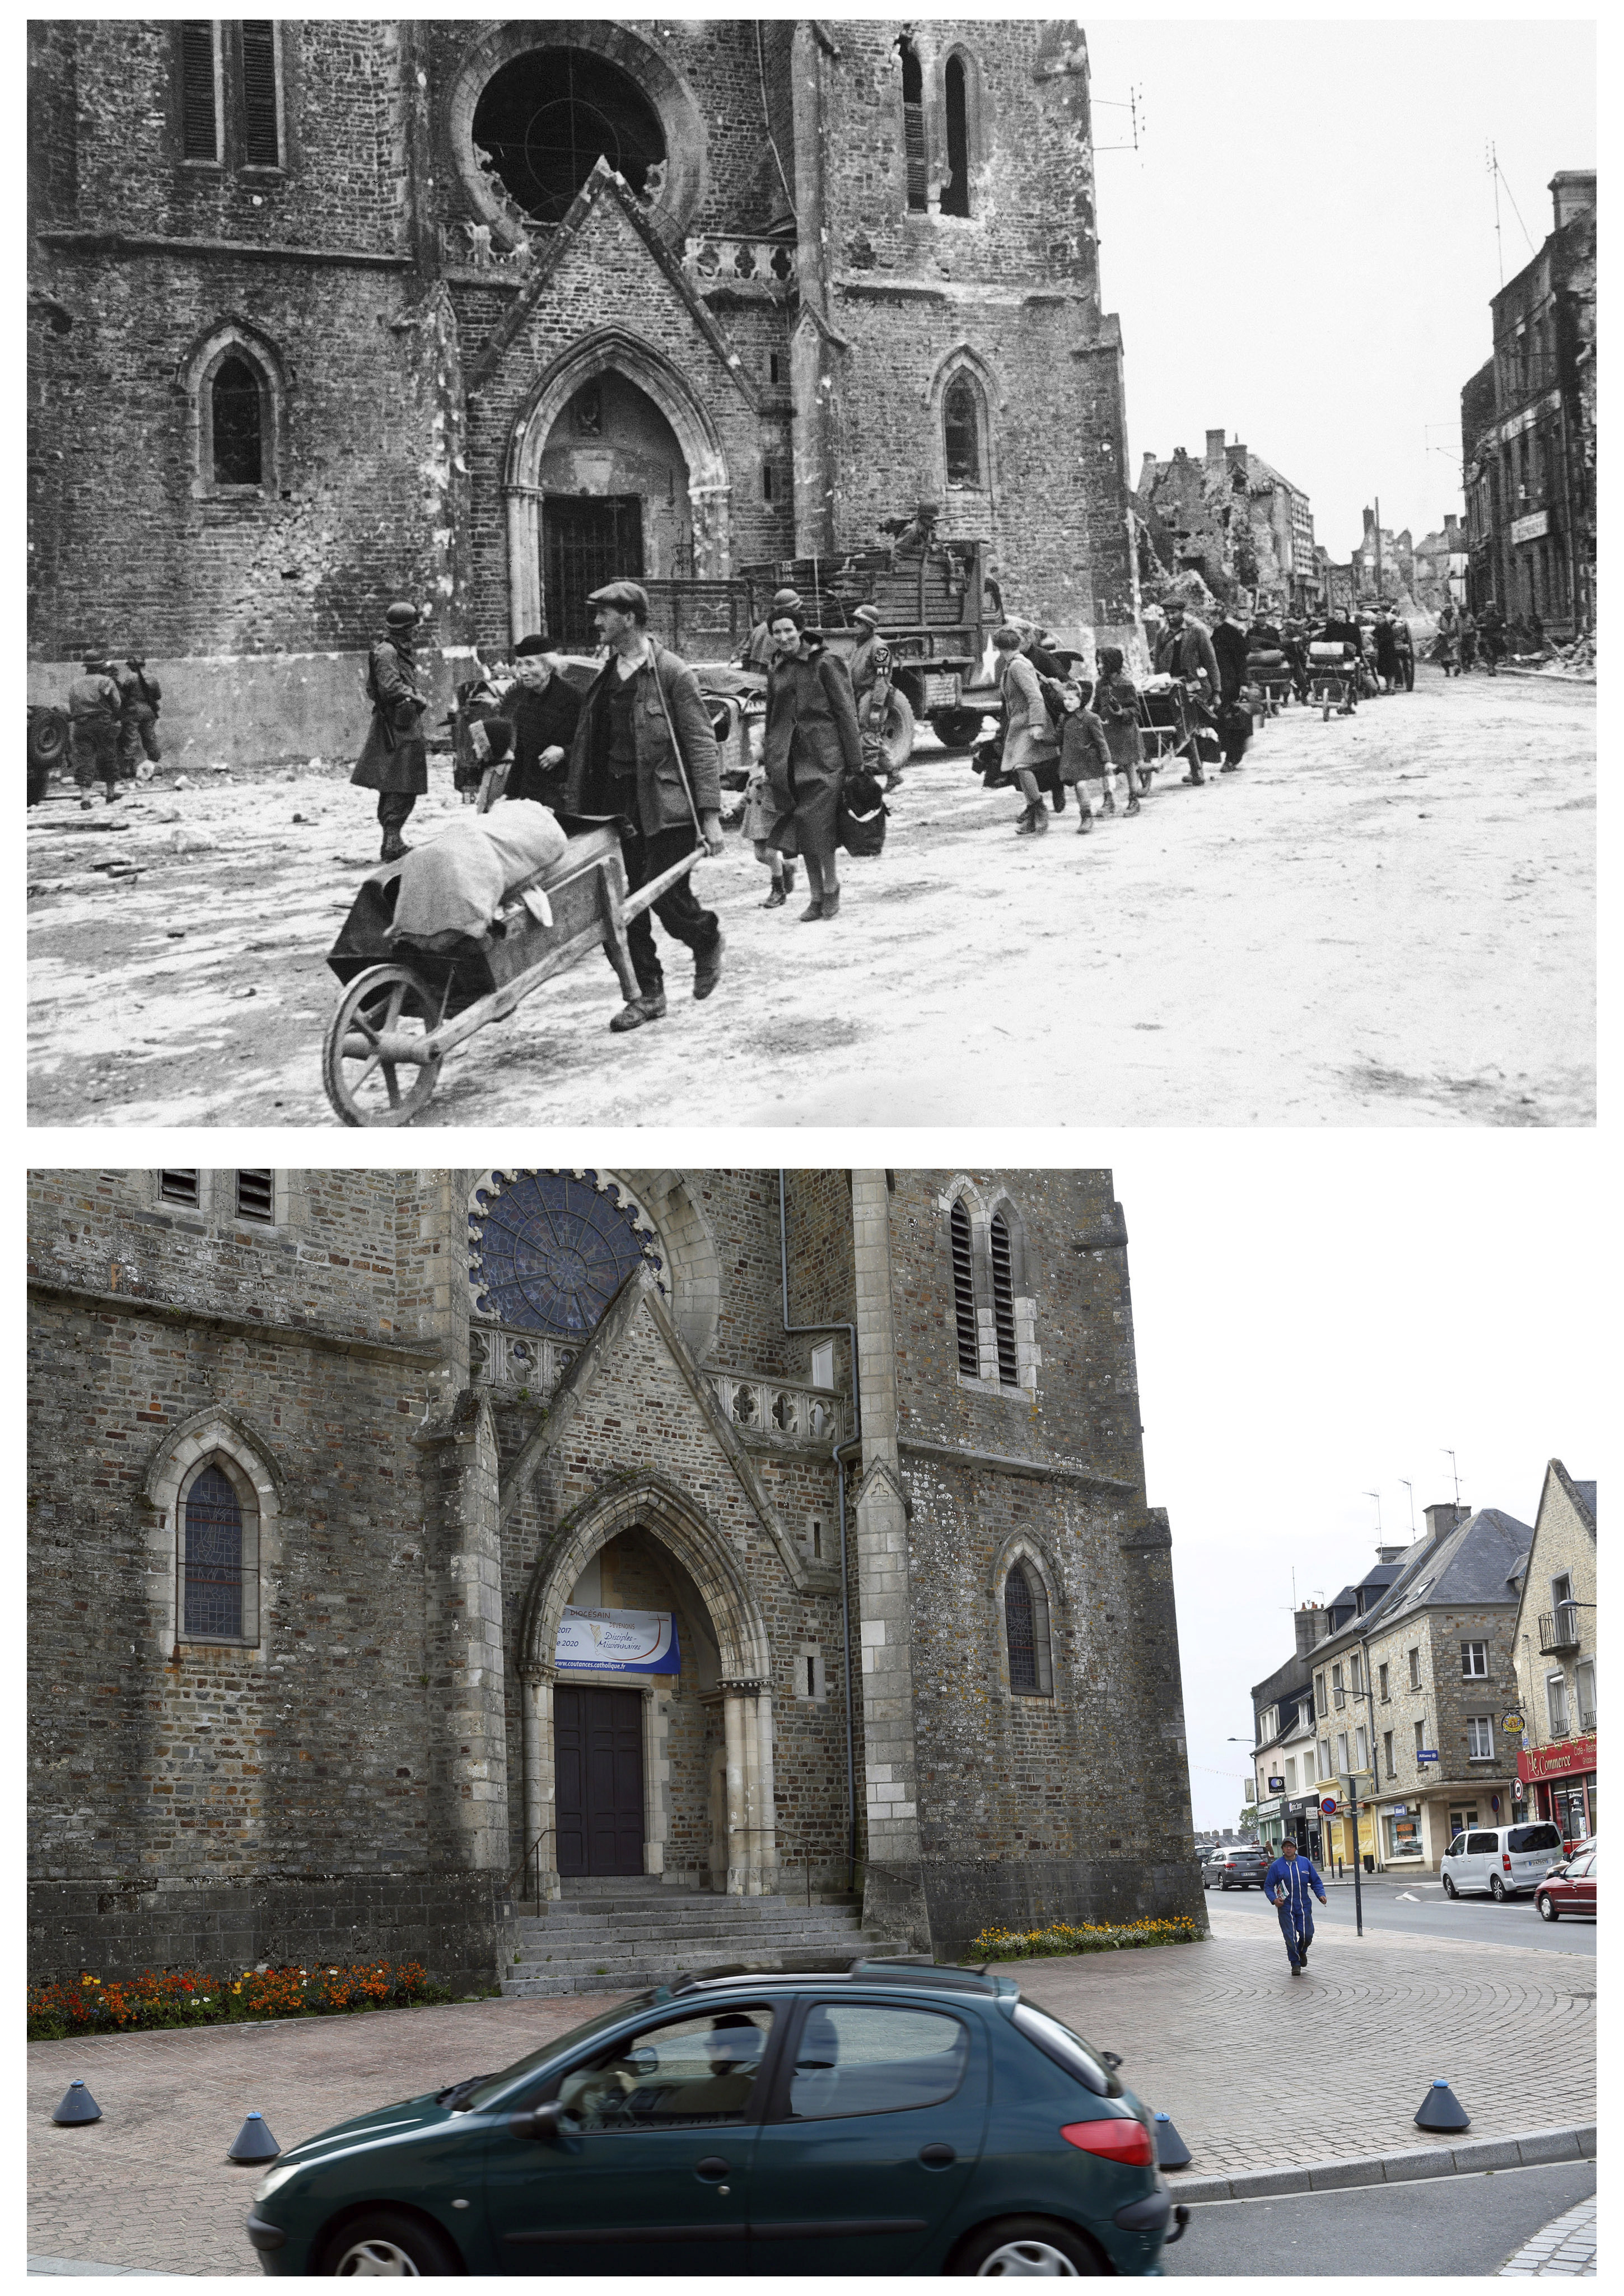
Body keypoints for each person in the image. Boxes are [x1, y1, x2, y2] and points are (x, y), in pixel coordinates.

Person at [561, 579, 726, 1029]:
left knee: (666, 896)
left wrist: (710, 817)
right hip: (615, 805)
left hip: (664, 804)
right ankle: (648, 994)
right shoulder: (606, 674)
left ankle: (705, 937)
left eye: (604, 614)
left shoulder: (672, 673)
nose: (596, 622)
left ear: (629, 618)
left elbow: (701, 745)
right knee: (622, 901)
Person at [761, 604, 864, 917]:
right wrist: (769, 759)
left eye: (788, 630)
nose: (783, 637)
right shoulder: (776, 668)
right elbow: (772, 719)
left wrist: (856, 764)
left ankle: (831, 888)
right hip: (790, 762)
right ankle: (816, 896)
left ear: (801, 630)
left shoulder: (826, 662)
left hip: (825, 759)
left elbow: (846, 712)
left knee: (820, 827)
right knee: (802, 827)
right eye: (777, 632)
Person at [351, 600, 430, 860]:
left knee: (402, 783)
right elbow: (390, 688)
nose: (416, 631)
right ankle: (392, 843)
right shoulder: (387, 652)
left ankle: (393, 840)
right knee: (400, 784)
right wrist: (418, 698)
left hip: (403, 725)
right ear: (405, 628)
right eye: (413, 627)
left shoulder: (396, 650)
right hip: (396, 728)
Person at [992, 624, 1060, 834]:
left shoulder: (1017, 666)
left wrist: (1037, 724)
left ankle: (1039, 809)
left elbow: (1035, 697)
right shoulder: (1014, 663)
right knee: (1019, 768)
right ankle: (1032, 816)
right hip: (1019, 723)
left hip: (1028, 723)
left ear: (999, 647)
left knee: (1022, 766)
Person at [503, 634, 581, 808]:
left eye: (530, 664)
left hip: (562, 796)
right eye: (520, 665)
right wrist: (509, 795)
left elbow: (592, 742)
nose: (523, 672)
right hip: (531, 795)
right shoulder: (524, 703)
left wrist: (564, 752)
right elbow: (521, 755)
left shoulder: (573, 699)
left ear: (548, 667)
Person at [1152, 601, 1221, 784]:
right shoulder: (1162, 635)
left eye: (1173, 612)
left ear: (1182, 612)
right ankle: (1195, 768)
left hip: (1195, 687)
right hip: (1171, 688)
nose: (1170, 616)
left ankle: (1197, 769)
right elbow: (1157, 665)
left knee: (1195, 728)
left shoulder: (1197, 632)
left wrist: (1216, 691)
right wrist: (1156, 684)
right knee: (1180, 728)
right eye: (1166, 613)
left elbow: (1211, 662)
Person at [847, 602, 902, 792]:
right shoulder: (860, 645)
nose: (855, 625)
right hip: (861, 695)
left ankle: (867, 784)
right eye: (855, 621)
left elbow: (882, 679)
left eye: (860, 622)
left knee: (869, 738)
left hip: (872, 696)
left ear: (870, 626)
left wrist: (876, 707)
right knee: (871, 737)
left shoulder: (879, 649)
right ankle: (893, 774)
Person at [1263, 1836, 1327, 1976]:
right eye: (1286, 1846)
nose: (1289, 1849)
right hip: (1286, 1908)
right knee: (1290, 1938)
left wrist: (1321, 1895)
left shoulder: (1305, 1863)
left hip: (1303, 1906)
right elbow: (1268, 1886)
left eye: (1291, 1846)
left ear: (1296, 1848)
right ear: (1282, 1849)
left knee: (1307, 1935)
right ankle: (1295, 1963)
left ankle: (1302, 1951)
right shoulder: (1277, 1866)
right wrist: (1274, 1900)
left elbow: (1316, 1882)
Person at [66, 654, 124, 810]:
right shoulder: (106, 681)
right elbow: (117, 704)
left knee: (84, 760)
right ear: (101, 666)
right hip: (103, 723)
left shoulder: (76, 683)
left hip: (81, 725)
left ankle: (85, 799)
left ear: (86, 666)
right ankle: (110, 794)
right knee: (108, 756)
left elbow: (72, 705)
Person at [1093, 646, 1145, 816]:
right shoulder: (1100, 684)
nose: (1099, 666)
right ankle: (1108, 800)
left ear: (1112, 664)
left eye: (1102, 663)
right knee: (1105, 766)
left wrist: (1121, 712)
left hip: (1125, 732)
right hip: (1106, 732)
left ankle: (1134, 799)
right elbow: (1096, 706)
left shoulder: (1126, 684)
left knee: (1129, 764)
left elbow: (1136, 709)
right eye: (1098, 662)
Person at [1056, 679, 1112, 833]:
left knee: (1080, 785)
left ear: (1080, 700)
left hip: (1087, 758)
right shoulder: (1064, 718)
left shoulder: (1091, 718)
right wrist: (1041, 740)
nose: (1067, 702)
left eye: (1071, 699)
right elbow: (1058, 738)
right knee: (1078, 786)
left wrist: (1107, 761)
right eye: (1065, 699)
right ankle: (1085, 815)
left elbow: (1101, 741)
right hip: (1071, 759)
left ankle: (1087, 817)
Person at [117, 655, 163, 776]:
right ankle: (155, 766)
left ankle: (127, 770)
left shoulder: (130, 678)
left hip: (133, 711)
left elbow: (124, 696)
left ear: (132, 666)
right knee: (150, 738)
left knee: (131, 739)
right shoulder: (152, 678)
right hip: (149, 711)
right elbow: (158, 696)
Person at [736, 588, 801, 671]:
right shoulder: (782, 631)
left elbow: (744, 655)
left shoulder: (759, 628)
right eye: (796, 609)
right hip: (769, 675)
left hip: (753, 675)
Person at [1372, 609, 1402, 694]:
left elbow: (1388, 638)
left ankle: (1391, 688)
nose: (1378, 620)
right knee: (1384, 670)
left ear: (1384, 619)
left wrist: (1377, 640)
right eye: (1377, 619)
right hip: (1382, 651)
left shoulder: (1387, 627)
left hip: (1389, 651)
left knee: (1390, 669)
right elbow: (1374, 634)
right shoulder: (1379, 627)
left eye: (1380, 619)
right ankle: (1388, 687)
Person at [1478, 600, 1506, 675]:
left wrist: (1502, 629)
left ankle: (1492, 666)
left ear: (1494, 609)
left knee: (1495, 653)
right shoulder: (1482, 616)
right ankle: (1490, 668)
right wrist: (1481, 626)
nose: (1490, 610)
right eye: (1488, 608)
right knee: (1489, 652)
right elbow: (1476, 625)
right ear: (1486, 608)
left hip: (1496, 637)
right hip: (1486, 637)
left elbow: (1503, 624)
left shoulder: (1499, 616)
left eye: (1492, 609)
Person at [1457, 604, 1478, 674]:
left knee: (1471, 651)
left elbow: (1475, 626)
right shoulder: (1457, 618)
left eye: (1465, 609)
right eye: (1463, 609)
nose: (1464, 611)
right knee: (1462, 652)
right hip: (1461, 636)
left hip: (1470, 636)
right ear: (1460, 610)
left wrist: (1475, 635)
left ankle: (1469, 663)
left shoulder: (1470, 617)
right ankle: (1464, 666)